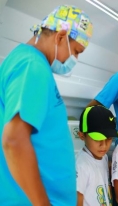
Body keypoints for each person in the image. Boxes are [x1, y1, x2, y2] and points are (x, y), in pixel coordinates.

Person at [0, 5, 93, 205]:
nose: (74, 59)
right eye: (76, 51)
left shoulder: (28, 62)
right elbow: (13, 140)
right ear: (60, 37)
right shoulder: (32, 66)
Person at [76, 105, 118, 206]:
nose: (104, 145)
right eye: (98, 139)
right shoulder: (81, 166)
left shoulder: (104, 157)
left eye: (109, 138)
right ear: (82, 135)